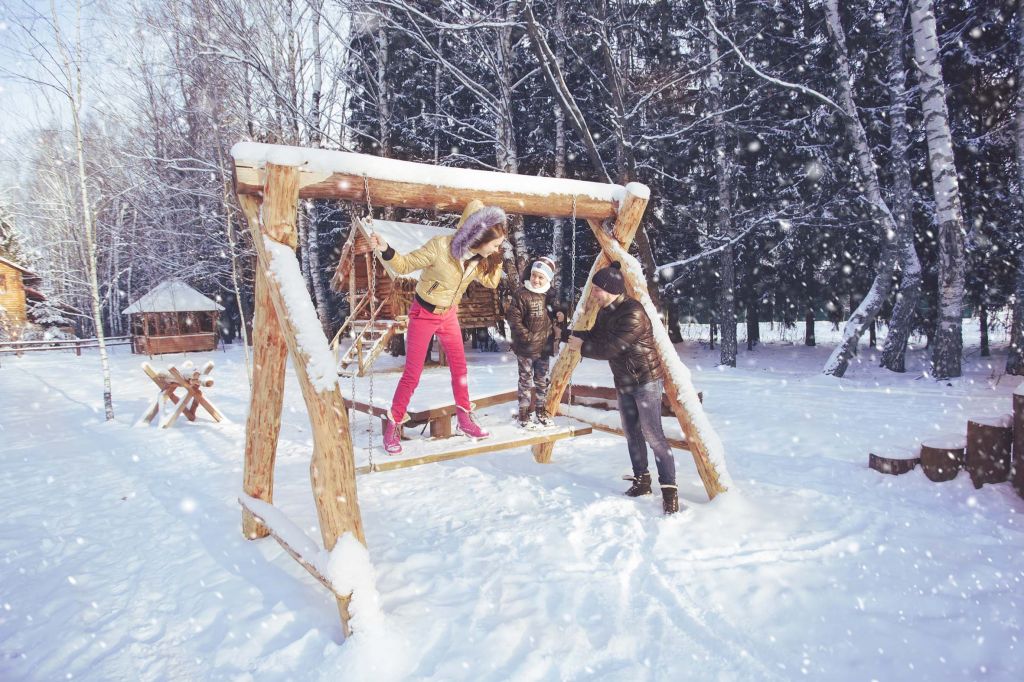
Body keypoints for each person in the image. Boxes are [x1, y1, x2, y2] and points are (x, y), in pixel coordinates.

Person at [368, 200, 506, 455]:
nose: (498, 248)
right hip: (423, 314)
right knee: (413, 374)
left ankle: (464, 419)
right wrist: (385, 248)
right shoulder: (440, 247)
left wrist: (496, 258)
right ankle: (394, 425)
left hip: (449, 314)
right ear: (478, 236)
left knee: (460, 368)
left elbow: (491, 283)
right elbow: (403, 266)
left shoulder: (477, 258)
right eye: (496, 244)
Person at [566, 262, 679, 515]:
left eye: (597, 289)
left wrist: (580, 347)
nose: (593, 294)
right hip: (624, 381)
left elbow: (611, 348)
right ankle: (642, 481)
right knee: (632, 433)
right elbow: (596, 335)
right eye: (593, 289)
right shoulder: (606, 310)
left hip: (645, 381)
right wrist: (569, 333)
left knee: (653, 435)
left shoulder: (633, 312)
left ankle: (670, 490)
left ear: (611, 289)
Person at [506, 256, 558, 428]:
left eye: (541, 277)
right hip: (526, 349)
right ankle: (524, 412)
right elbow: (514, 319)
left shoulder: (550, 295)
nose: (536, 279)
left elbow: (555, 315)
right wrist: (527, 337)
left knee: (542, 380)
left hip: (544, 347)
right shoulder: (522, 294)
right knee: (526, 381)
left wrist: (560, 315)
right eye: (534, 275)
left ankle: (541, 410)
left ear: (548, 279)